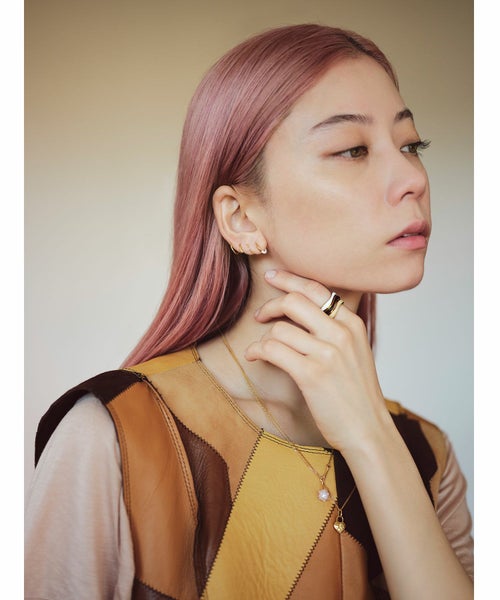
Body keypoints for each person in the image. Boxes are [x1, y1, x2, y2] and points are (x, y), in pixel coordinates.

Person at [25, 24, 473, 599]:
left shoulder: (425, 454)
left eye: (412, 145)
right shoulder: (113, 436)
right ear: (239, 217)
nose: (413, 179)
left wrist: (371, 436)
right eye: (353, 150)